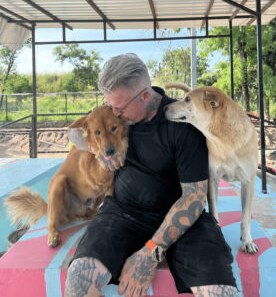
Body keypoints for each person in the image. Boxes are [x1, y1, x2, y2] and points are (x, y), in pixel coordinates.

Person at [65, 53, 238, 297]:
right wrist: (98, 152)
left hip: (183, 220)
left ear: (144, 96)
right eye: (111, 105)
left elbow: (194, 198)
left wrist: (150, 252)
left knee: (221, 293)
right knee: (78, 282)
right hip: (122, 214)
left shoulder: (182, 123)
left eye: (119, 107)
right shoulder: (116, 117)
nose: (113, 112)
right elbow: (73, 136)